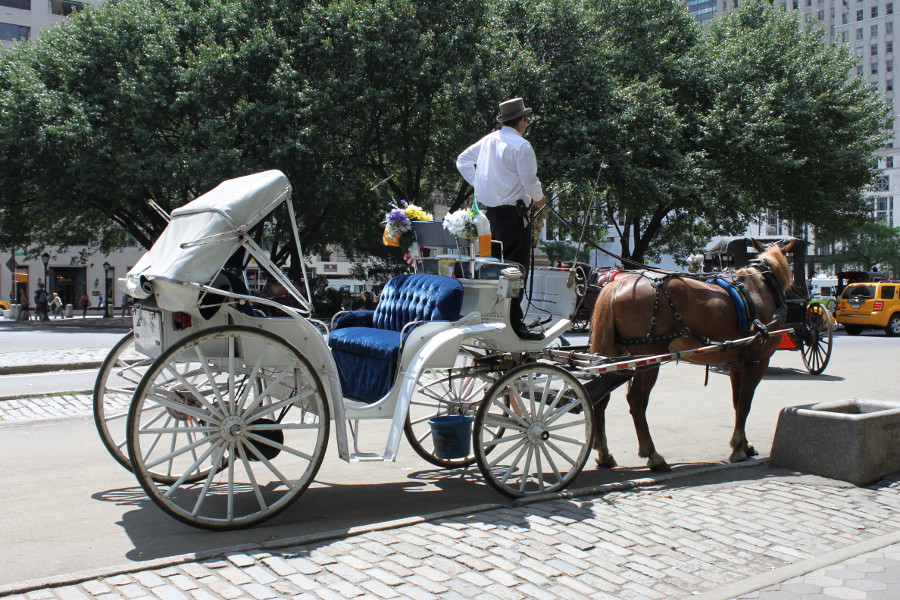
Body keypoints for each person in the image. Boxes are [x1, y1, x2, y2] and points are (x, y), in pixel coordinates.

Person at [456, 97, 546, 340]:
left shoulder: (488, 140)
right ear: (523, 120)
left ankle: (495, 317)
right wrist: (540, 199)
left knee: (494, 268)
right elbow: (530, 182)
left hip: (490, 216)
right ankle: (514, 324)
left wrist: (483, 185)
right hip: (513, 217)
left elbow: (462, 161)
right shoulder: (521, 145)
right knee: (515, 270)